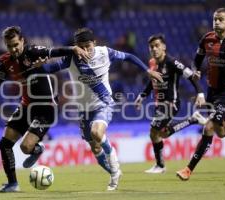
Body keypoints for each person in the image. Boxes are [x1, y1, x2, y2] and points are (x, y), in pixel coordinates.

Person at [35, 28, 163, 190]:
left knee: (97, 133)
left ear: (94, 43)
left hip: (104, 103)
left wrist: (147, 70)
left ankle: (114, 164)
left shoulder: (105, 52)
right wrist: (39, 66)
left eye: (88, 45)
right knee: (95, 148)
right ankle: (113, 172)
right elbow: (48, 69)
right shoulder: (71, 58)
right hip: (84, 109)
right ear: (76, 46)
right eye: (81, 47)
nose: (86, 50)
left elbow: (129, 57)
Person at [0, 26, 89, 193]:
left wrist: (73, 48)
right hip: (26, 105)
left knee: (25, 147)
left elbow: (55, 51)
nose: (13, 49)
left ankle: (36, 148)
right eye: (9, 46)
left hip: (46, 108)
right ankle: (12, 184)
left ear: (22, 41)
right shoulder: (5, 62)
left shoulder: (33, 52)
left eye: (15, 44)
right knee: (4, 143)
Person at [176, 8, 225, 181]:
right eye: (215, 19)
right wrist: (196, 71)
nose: (217, 22)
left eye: (220, 19)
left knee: (209, 126)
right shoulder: (206, 39)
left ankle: (188, 169)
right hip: (212, 91)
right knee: (222, 131)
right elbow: (196, 61)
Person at [134, 34, 207, 174]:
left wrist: (200, 93)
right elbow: (152, 81)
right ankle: (193, 119)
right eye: (151, 47)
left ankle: (160, 166)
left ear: (164, 47)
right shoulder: (152, 63)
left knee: (153, 131)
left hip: (170, 104)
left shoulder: (172, 62)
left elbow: (191, 76)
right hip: (159, 104)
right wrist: (142, 95)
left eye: (157, 45)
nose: (154, 49)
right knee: (163, 134)